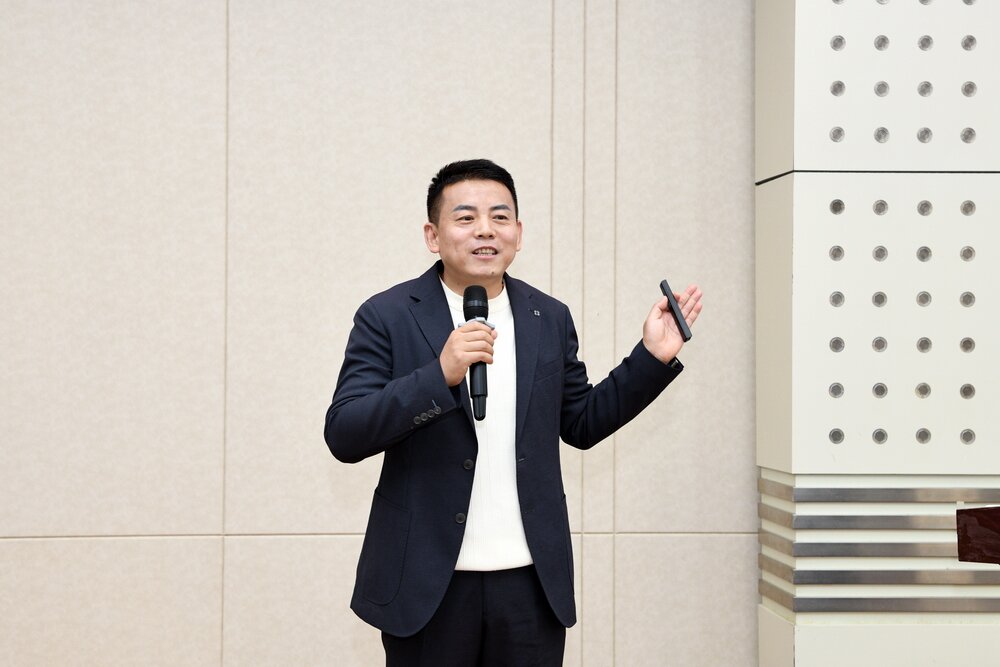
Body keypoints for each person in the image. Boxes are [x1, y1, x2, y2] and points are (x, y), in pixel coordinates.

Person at [324, 159, 702, 666]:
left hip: (530, 583)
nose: (485, 230)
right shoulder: (388, 315)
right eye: (466, 217)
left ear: (518, 234)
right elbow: (345, 432)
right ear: (433, 236)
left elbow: (581, 423)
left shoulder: (549, 316)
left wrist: (651, 358)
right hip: (426, 584)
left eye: (500, 217)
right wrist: (439, 375)